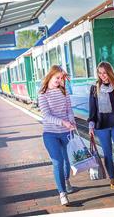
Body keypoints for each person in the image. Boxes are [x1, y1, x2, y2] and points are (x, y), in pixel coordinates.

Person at [88, 61, 114, 190]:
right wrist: (91, 126)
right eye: (100, 73)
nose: (102, 76)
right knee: (107, 154)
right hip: (101, 126)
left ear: (110, 73)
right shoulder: (94, 88)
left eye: (104, 73)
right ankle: (112, 178)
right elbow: (92, 109)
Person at [38, 65, 76, 206]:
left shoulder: (63, 91)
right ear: (50, 75)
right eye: (57, 77)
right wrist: (63, 122)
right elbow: (46, 116)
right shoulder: (42, 94)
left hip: (66, 132)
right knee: (57, 162)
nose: (59, 80)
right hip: (50, 134)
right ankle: (62, 193)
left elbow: (69, 109)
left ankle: (66, 180)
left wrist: (71, 121)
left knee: (68, 161)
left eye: (61, 78)